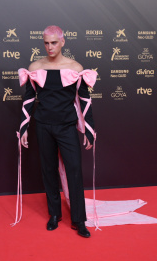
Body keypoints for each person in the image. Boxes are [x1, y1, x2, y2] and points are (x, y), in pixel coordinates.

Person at [17, 25, 97, 238]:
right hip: (43, 126)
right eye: (46, 43)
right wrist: (23, 128)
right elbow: (28, 99)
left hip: (67, 126)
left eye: (54, 42)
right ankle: (54, 215)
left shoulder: (75, 67)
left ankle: (79, 220)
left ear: (63, 42)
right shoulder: (36, 66)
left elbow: (85, 101)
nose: (50, 47)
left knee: (75, 171)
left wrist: (89, 131)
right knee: (48, 170)